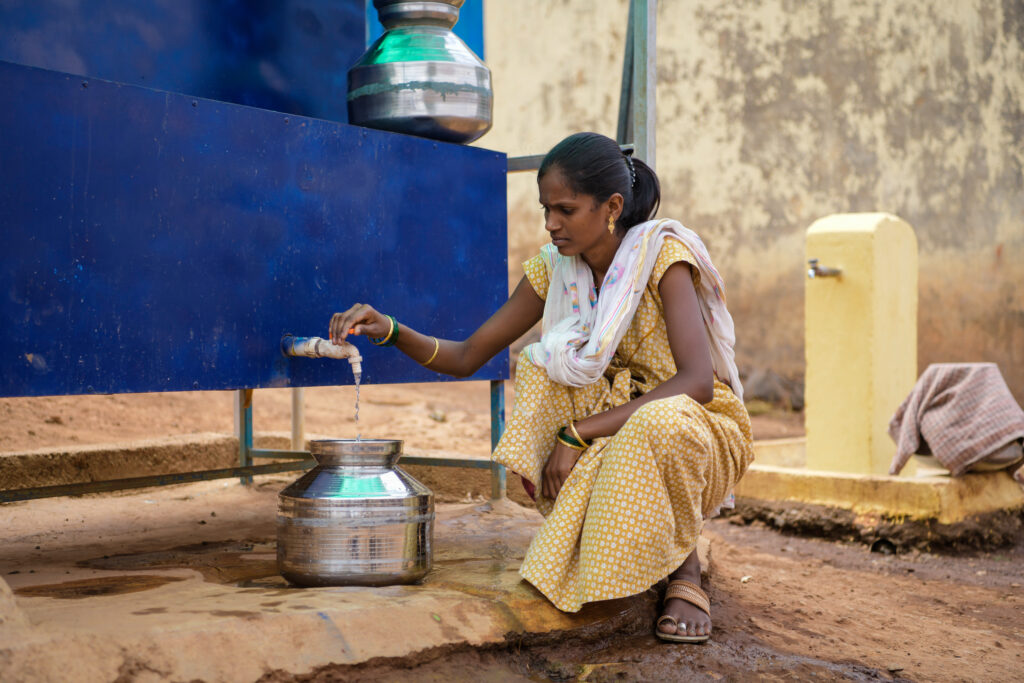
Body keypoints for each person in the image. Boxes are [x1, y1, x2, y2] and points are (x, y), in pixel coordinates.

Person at [328, 132, 754, 644]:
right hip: (618, 418)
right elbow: (468, 355)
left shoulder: (664, 258)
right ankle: (611, 539)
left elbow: (697, 383)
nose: (551, 224)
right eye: (546, 209)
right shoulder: (555, 269)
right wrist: (392, 329)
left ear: (612, 207)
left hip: (692, 422)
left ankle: (684, 571)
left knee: (657, 421)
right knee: (541, 364)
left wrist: (576, 433)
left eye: (566, 210)